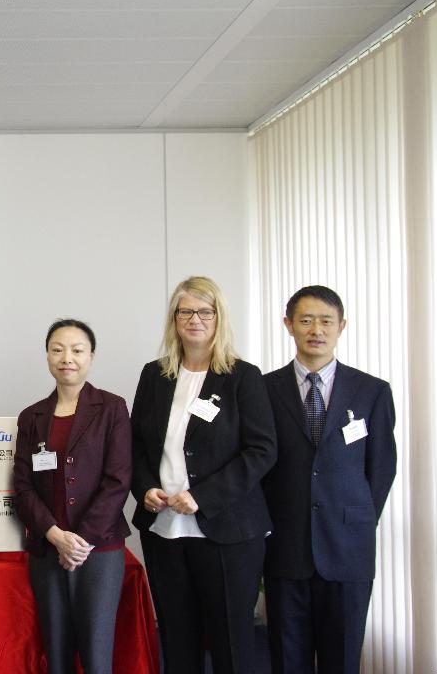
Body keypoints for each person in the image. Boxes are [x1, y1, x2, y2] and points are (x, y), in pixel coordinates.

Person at [130, 276, 277, 674]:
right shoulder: (154, 375)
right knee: (178, 640)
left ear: (218, 317)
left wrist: (203, 496)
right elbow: (136, 445)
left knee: (231, 641)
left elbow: (262, 450)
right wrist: (145, 488)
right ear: (174, 319)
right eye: (186, 312)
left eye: (205, 312)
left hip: (228, 532)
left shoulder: (243, 376)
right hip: (165, 530)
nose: (195, 319)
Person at [262, 286, 396, 674]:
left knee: (343, 658)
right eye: (305, 320)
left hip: (348, 548)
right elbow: (258, 465)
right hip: (285, 545)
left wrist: (356, 519)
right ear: (289, 325)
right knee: (288, 659)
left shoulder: (372, 391)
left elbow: (381, 468)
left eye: (326, 321)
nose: (316, 330)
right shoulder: (264, 389)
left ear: (342, 326)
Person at [12, 319, 132, 674]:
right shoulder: (32, 416)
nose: (67, 358)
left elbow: (118, 480)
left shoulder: (111, 408)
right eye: (57, 349)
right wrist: (55, 535)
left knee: (96, 656)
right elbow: (23, 486)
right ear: (47, 356)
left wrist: (80, 542)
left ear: (91, 357)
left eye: (77, 350)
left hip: (99, 550)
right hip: (48, 549)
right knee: (57, 652)